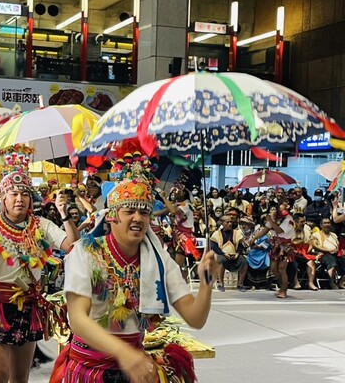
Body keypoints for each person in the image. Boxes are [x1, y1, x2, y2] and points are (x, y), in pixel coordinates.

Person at [51, 158, 219, 383]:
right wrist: (123, 353)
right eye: (129, 210)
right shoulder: (85, 252)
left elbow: (195, 318)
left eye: (145, 212)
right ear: (111, 216)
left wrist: (207, 285)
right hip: (89, 370)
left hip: (136, 369)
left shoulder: (158, 259)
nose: (138, 218)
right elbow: (78, 319)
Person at [0, 157, 80, 383]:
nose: (19, 199)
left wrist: (64, 214)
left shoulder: (41, 224)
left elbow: (71, 245)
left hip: (29, 304)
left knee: (20, 378)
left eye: (25, 194)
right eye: (14, 194)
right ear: (3, 198)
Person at [210, 214, 248, 292]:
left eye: (231, 222)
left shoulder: (236, 233)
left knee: (244, 262)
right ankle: (221, 284)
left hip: (234, 254)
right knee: (222, 260)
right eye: (227, 222)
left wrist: (238, 253)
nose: (230, 224)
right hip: (222, 254)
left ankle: (240, 284)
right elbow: (214, 247)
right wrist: (223, 253)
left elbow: (240, 246)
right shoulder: (216, 234)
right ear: (222, 223)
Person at [266, 201, 295, 299]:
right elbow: (266, 229)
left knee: (282, 269)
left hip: (285, 245)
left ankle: (284, 290)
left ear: (287, 206)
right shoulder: (275, 218)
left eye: (280, 205)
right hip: (276, 244)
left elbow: (279, 230)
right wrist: (253, 238)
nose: (278, 207)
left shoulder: (289, 218)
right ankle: (281, 286)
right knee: (273, 268)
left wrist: (270, 220)